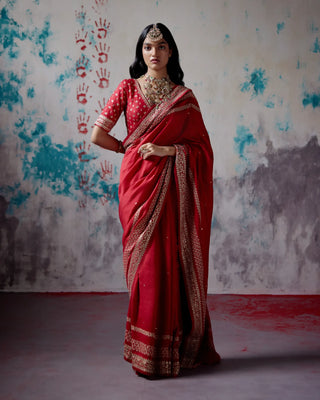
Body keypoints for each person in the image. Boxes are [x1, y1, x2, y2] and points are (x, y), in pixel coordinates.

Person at [91, 23, 220, 378]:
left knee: (169, 261)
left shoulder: (184, 97)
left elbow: (201, 150)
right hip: (138, 186)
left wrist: (167, 150)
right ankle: (145, 354)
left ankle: (172, 351)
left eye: (162, 47)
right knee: (147, 263)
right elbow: (97, 134)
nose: (154, 53)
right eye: (149, 46)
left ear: (171, 52)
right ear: (141, 51)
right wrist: (127, 149)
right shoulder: (127, 88)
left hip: (172, 189)